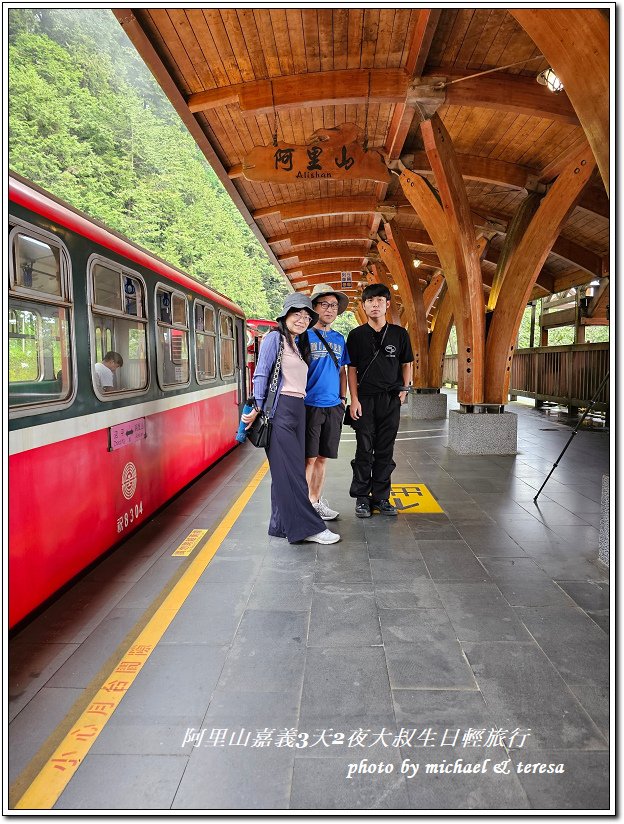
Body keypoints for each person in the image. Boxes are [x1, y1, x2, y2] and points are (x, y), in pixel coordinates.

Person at [241, 294, 341, 545]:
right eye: (297, 314)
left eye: (307, 316)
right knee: (293, 473)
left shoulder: (296, 343)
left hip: (298, 408)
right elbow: (261, 374)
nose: (302, 319)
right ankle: (308, 528)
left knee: (287, 470)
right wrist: (258, 406)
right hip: (281, 409)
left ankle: (280, 524)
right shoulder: (274, 338)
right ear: (285, 315)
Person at [346, 283, 413, 518]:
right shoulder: (355, 335)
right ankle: (362, 498)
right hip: (364, 399)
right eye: (370, 301)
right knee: (364, 448)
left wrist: (404, 389)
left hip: (390, 399)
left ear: (387, 304)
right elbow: (351, 369)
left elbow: (407, 363)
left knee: (386, 448)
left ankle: (382, 497)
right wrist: (353, 399)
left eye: (379, 300)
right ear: (363, 306)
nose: (375, 305)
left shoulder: (399, 334)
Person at [298, 283, 350, 521]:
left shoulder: (340, 339)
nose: (330, 310)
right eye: (324, 304)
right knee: (308, 458)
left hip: (333, 406)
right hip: (309, 405)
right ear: (314, 307)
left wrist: (342, 398)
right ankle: (302, 507)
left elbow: (342, 371)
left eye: (334, 306)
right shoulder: (303, 336)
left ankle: (315, 501)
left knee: (322, 458)